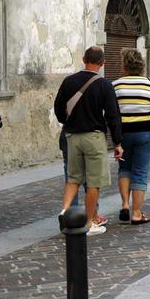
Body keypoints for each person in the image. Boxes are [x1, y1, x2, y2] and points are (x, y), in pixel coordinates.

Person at [54, 46, 123, 236]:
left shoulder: (69, 81)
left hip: (72, 136)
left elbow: (59, 108)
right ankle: (90, 222)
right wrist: (117, 143)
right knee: (93, 182)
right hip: (94, 137)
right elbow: (112, 116)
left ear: (84, 59)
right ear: (102, 63)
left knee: (73, 178)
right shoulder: (104, 85)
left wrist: (67, 122)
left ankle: (65, 211)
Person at [112, 49, 150, 225]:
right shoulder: (149, 83)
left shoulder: (115, 85)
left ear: (124, 64)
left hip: (123, 133)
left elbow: (111, 109)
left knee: (124, 168)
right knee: (140, 171)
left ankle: (124, 205)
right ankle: (137, 213)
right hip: (146, 133)